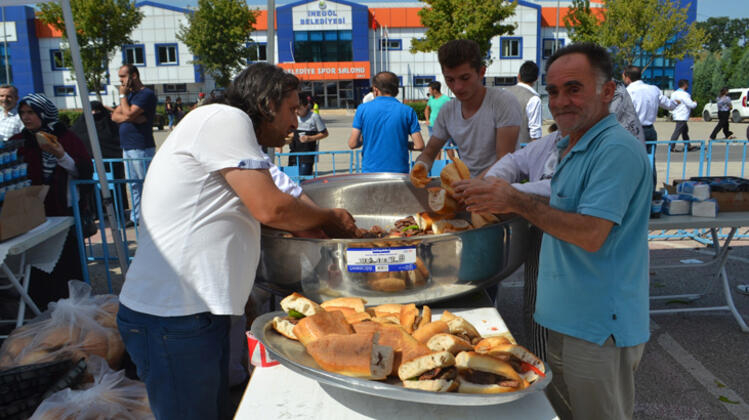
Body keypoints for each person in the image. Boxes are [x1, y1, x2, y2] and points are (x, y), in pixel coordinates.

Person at [116, 63, 358, 420]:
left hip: (197, 315)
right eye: (291, 109)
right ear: (266, 103)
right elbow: (272, 208)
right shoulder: (224, 119)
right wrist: (330, 219)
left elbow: (274, 205)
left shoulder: (234, 135)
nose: (295, 121)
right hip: (173, 316)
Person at [455, 43, 651, 420]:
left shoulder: (615, 150)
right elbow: (524, 171)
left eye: (574, 89)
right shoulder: (570, 145)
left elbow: (591, 233)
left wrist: (515, 200)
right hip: (561, 321)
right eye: (554, 91)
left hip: (597, 330)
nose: (561, 101)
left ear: (607, 92)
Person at [12, 93, 93, 310]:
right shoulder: (19, 141)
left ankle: (70, 311)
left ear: (44, 113)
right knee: (36, 267)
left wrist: (60, 154)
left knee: (65, 266)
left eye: (31, 112)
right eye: (22, 113)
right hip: (30, 217)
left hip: (63, 213)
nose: (26, 117)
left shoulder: (66, 138)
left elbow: (83, 171)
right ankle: (38, 312)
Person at [411, 39, 522, 179]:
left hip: (501, 190)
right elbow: (429, 153)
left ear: (481, 72)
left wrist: (471, 186)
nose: (457, 87)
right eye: (450, 80)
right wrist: (420, 168)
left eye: (465, 78)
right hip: (467, 187)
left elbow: (504, 162)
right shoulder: (448, 110)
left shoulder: (503, 102)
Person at [347, 71, 424, 173]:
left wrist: (367, 139)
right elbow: (419, 145)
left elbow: (352, 143)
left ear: (375, 89)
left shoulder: (362, 109)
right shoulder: (407, 111)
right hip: (399, 171)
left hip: (371, 171)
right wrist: (402, 143)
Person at [111, 64, 157, 226]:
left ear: (134, 76)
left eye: (123, 77)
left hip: (141, 146)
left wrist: (123, 98)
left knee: (145, 183)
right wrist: (130, 117)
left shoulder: (146, 94)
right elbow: (115, 116)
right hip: (128, 146)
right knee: (133, 185)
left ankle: (150, 217)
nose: (121, 82)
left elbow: (129, 113)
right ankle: (136, 217)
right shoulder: (130, 96)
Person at [70, 100, 129, 216]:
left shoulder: (111, 127)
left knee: (114, 188)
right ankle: (97, 211)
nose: (95, 114)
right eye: (92, 111)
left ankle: (116, 211)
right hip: (93, 167)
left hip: (112, 166)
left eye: (98, 111)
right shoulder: (80, 128)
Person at [623, 66, 679, 187]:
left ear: (627, 77)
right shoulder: (653, 89)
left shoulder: (627, 92)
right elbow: (669, 105)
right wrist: (676, 103)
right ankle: (651, 191)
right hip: (649, 130)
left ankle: (634, 192)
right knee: (650, 161)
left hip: (632, 131)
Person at [286, 93, 329, 176]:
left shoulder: (314, 117)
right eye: (294, 108)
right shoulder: (293, 116)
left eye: (298, 108)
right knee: (291, 179)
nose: (296, 111)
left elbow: (325, 133)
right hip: (293, 154)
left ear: (306, 106)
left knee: (303, 179)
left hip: (307, 156)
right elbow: (290, 132)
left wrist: (310, 138)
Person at [504, 60, 543, 142]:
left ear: (518, 76)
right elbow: (535, 131)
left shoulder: (504, 92)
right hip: (523, 149)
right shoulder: (534, 99)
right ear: (536, 79)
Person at [669, 79, 698, 152]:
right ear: (685, 85)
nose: (688, 86)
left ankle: (688, 145)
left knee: (685, 130)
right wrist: (695, 103)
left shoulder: (674, 94)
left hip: (676, 114)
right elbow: (690, 104)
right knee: (678, 131)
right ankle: (671, 146)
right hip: (682, 115)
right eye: (687, 84)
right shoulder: (685, 94)